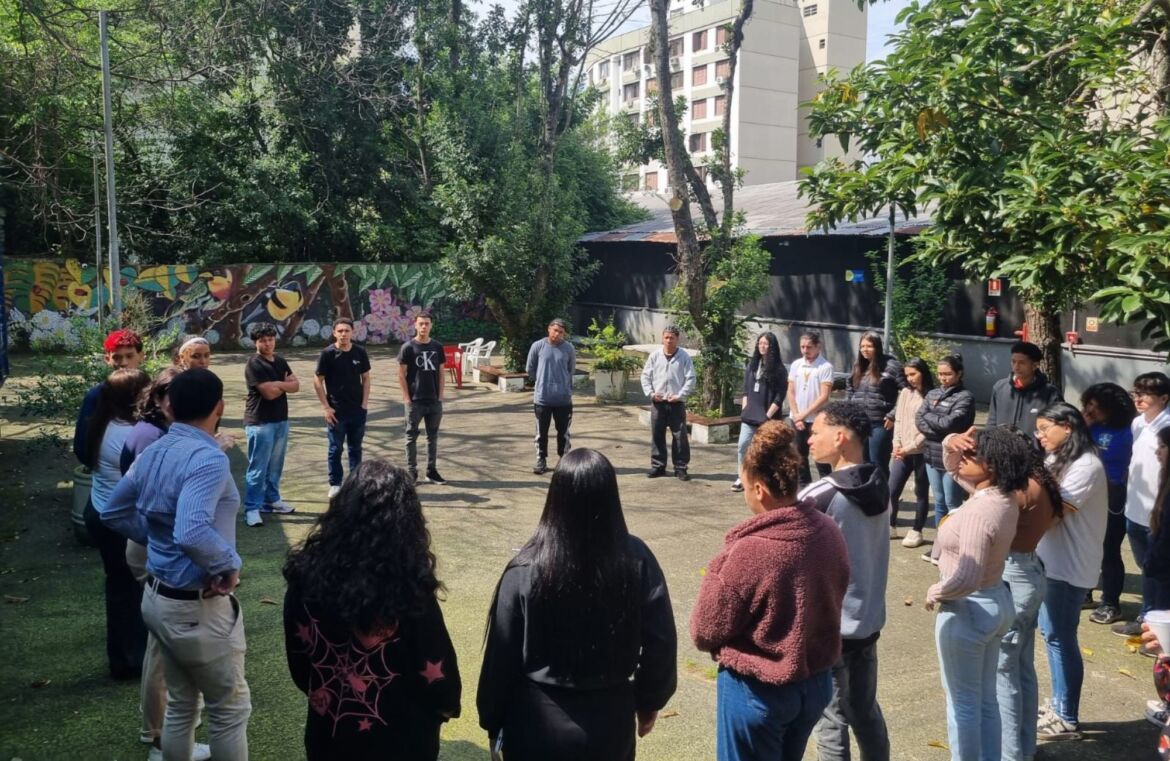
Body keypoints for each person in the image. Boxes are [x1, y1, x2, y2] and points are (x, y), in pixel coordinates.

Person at [478, 448, 677, 760]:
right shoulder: (637, 560)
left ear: (555, 497)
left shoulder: (525, 568)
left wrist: (492, 720)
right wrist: (649, 700)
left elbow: (500, 657)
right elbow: (661, 641)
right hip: (609, 723)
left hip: (536, 724)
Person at [102, 368, 252, 761]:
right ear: (220, 407)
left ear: (169, 406)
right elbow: (191, 530)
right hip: (196, 605)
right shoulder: (208, 458)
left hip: (157, 599)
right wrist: (228, 565)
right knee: (230, 709)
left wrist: (156, 538)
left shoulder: (153, 451)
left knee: (183, 703)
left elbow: (113, 511)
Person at [691, 421, 849, 761]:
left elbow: (704, 630)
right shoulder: (828, 531)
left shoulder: (750, 551)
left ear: (760, 489)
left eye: (746, 486)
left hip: (759, 690)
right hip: (815, 683)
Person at [284, 460, 461, 760]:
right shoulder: (409, 588)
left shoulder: (304, 578)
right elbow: (437, 671)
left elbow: (300, 661)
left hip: (329, 736)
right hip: (403, 741)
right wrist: (446, 708)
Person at [119, 368, 213, 761]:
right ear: (160, 399)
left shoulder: (160, 434)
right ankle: (159, 735)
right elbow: (133, 508)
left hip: (156, 548)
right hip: (158, 553)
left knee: (163, 644)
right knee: (163, 649)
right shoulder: (155, 440)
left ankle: (162, 731)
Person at [926, 427, 1030, 761]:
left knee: (962, 705)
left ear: (993, 465)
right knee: (985, 700)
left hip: (968, 608)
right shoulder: (1001, 496)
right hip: (996, 601)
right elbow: (952, 467)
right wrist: (950, 442)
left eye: (972, 454)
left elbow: (967, 577)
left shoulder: (978, 511)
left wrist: (936, 591)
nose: (963, 458)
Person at [799, 402, 891, 761]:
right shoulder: (879, 483)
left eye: (816, 432)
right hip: (868, 621)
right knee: (864, 710)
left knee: (830, 720)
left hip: (831, 627)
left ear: (839, 437)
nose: (809, 440)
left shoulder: (821, 495)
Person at [1033, 402, 1108, 742]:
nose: (1039, 435)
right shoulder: (1055, 458)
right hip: (1050, 560)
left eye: (1044, 428)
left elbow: (1051, 512)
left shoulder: (1086, 465)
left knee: (1060, 638)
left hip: (1069, 565)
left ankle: (1067, 716)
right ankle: (1059, 705)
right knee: (1052, 635)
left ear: (1067, 426)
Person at [994, 432, 1063, 761]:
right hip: (1030, 571)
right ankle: (1025, 746)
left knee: (1003, 670)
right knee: (1021, 665)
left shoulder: (1018, 492)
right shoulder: (1041, 481)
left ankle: (1010, 753)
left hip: (1014, 575)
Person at [83, 368, 152, 681]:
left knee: (120, 587)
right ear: (136, 397)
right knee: (127, 590)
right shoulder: (129, 435)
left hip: (99, 510)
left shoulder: (103, 422)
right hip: (118, 522)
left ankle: (125, 656)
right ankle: (128, 660)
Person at [1115, 372, 1170, 638]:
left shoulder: (1167, 426)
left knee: (1157, 570)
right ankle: (1151, 619)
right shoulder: (1137, 423)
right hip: (1134, 509)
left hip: (1157, 514)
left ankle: (1151, 621)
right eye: (1136, 392)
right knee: (1146, 567)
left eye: (1145, 394)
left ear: (1164, 398)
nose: (1138, 399)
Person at [1080, 383, 1137, 625]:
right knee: (1085, 546)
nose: (1090, 409)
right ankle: (1084, 592)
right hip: (1087, 492)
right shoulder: (1089, 426)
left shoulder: (1130, 429)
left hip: (1115, 495)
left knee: (1109, 549)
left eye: (1096, 406)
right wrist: (1082, 426)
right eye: (1088, 404)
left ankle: (1111, 603)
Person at [916, 354, 976, 559]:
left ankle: (955, 547)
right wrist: (935, 425)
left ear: (959, 374)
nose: (943, 378)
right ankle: (939, 546)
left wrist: (929, 417)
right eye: (940, 374)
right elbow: (919, 419)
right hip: (931, 454)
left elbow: (949, 425)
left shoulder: (965, 397)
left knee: (953, 504)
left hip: (953, 456)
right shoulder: (932, 393)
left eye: (948, 374)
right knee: (940, 502)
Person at [243, 322, 299, 527]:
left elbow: (296, 386)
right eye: (263, 341)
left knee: (275, 466)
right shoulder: (254, 364)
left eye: (270, 339)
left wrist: (278, 384)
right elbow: (268, 393)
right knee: (258, 468)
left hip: (280, 420)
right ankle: (252, 508)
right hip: (260, 422)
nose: (268, 344)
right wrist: (284, 385)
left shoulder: (281, 361)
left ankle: (272, 500)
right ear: (255, 343)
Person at [313, 318, 371, 499]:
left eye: (347, 331)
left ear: (352, 332)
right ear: (334, 333)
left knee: (356, 448)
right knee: (335, 448)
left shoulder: (360, 352)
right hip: (336, 412)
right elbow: (317, 381)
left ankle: (355, 483)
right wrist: (326, 407)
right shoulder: (327, 354)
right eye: (340, 331)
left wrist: (364, 404)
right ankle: (335, 483)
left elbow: (366, 378)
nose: (343, 334)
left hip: (357, 410)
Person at [74, 328, 145, 466]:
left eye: (129, 356)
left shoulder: (152, 392)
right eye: (117, 357)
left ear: (141, 356)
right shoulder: (96, 395)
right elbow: (82, 446)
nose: (124, 363)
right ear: (108, 359)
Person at [732, 332, 788, 493]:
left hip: (767, 418)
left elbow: (779, 397)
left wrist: (767, 416)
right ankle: (742, 477)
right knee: (743, 446)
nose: (762, 346)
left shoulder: (779, 370)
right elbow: (745, 390)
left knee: (766, 450)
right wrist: (745, 408)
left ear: (772, 347)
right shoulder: (752, 366)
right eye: (760, 343)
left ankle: (764, 479)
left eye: (766, 344)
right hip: (749, 416)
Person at [845, 331, 904, 481]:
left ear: (877, 347)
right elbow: (850, 387)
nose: (865, 349)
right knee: (862, 462)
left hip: (880, 423)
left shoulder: (891, 366)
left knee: (878, 463)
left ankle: (883, 493)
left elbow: (907, 393)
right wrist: (850, 407)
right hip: (860, 422)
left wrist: (893, 414)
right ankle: (867, 491)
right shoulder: (859, 365)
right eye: (862, 346)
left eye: (869, 346)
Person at [640, 326, 696, 480]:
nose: (669, 340)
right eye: (666, 337)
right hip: (658, 403)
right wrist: (651, 393)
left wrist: (680, 395)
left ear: (677, 339)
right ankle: (658, 466)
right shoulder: (655, 356)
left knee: (680, 436)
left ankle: (680, 468)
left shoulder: (684, 357)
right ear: (662, 338)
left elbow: (691, 378)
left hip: (676, 403)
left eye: (672, 338)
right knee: (657, 435)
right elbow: (645, 376)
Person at [889, 358, 933, 547]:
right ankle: (890, 524)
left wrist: (910, 447)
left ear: (923, 372)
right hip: (902, 450)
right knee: (892, 489)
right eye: (907, 375)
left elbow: (929, 428)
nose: (910, 378)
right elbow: (899, 420)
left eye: (913, 374)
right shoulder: (906, 392)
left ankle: (917, 530)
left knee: (921, 491)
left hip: (921, 451)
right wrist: (896, 444)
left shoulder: (931, 395)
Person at [398, 313, 447, 485]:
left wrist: (440, 395)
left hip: (434, 400)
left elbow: (441, 372)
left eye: (427, 323)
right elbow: (401, 375)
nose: (424, 326)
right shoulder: (408, 347)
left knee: (432, 437)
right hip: (415, 401)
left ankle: (431, 471)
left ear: (431, 325)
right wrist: (406, 398)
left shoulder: (437, 347)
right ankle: (411, 472)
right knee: (411, 437)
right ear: (415, 325)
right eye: (421, 323)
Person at [526, 318, 576, 475]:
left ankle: (564, 461)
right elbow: (530, 369)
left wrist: (561, 384)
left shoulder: (569, 348)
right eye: (555, 330)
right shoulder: (538, 346)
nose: (557, 334)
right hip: (542, 399)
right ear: (549, 329)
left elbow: (571, 370)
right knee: (541, 433)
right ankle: (541, 460)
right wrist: (542, 381)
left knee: (563, 433)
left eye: (561, 332)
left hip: (563, 399)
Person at [787, 331, 834, 486]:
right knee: (799, 456)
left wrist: (804, 415)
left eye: (809, 347)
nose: (805, 350)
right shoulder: (796, 365)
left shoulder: (825, 366)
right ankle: (804, 488)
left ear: (818, 347)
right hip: (797, 418)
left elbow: (824, 396)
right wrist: (796, 415)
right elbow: (790, 391)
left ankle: (826, 486)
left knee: (820, 455)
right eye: (802, 347)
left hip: (816, 419)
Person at [985, 341, 1062, 434]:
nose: (1016, 367)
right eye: (1013, 362)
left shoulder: (1050, 393)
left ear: (1035, 365)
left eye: (1021, 363)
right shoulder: (1000, 388)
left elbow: (1056, 428)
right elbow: (992, 422)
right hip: (1001, 442)